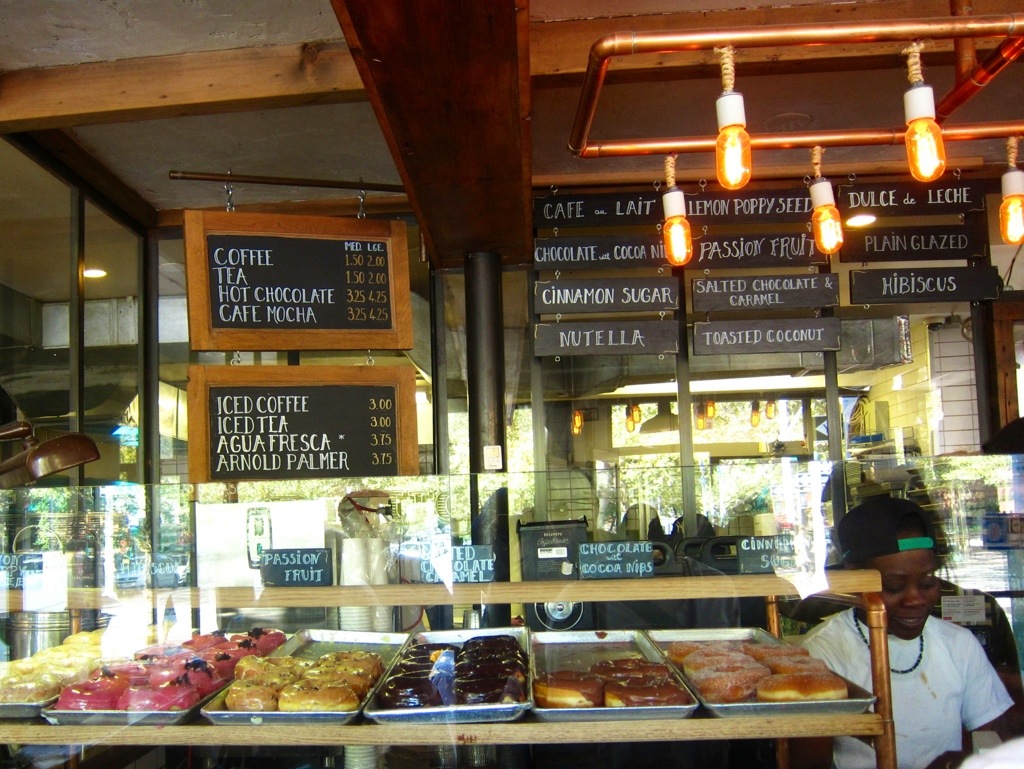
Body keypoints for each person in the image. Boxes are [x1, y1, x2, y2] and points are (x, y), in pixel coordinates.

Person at [794, 496, 1017, 769]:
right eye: (894, 586)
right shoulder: (822, 653)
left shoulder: (958, 645)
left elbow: (992, 738)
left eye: (927, 582)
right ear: (854, 579)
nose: (915, 599)